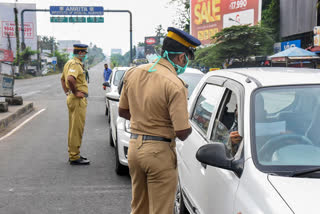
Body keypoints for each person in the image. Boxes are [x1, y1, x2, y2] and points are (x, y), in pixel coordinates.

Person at [118, 27, 201, 214]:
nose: (185, 63)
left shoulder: (133, 73)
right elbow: (181, 132)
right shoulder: (175, 84)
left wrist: (145, 118)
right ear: (181, 57)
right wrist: (189, 125)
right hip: (159, 154)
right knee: (161, 210)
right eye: (187, 58)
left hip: (135, 148)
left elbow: (123, 111)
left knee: (139, 207)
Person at [60, 44, 90, 165]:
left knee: (73, 128)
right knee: (77, 129)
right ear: (81, 53)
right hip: (77, 100)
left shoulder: (69, 63)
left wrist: (67, 92)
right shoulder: (75, 64)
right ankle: (74, 156)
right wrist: (75, 92)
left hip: (72, 98)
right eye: (85, 53)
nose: (85, 55)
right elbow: (70, 79)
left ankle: (73, 153)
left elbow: (62, 79)